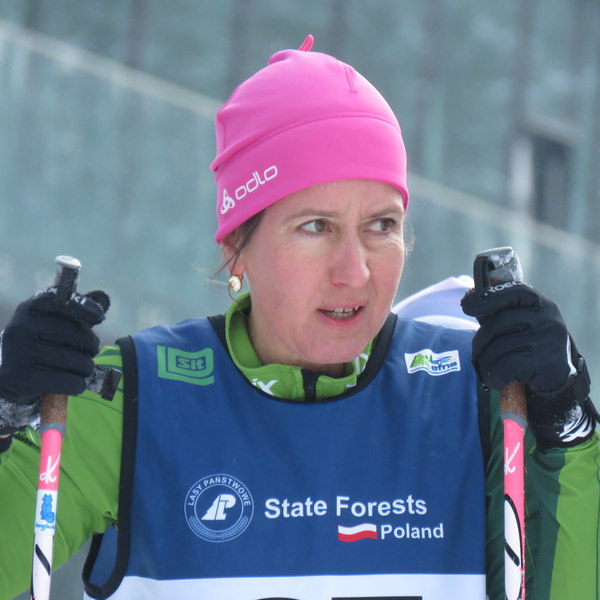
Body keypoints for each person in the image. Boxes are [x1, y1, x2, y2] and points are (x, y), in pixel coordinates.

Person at [0, 35, 598, 600]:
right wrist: (6, 412)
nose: (354, 271)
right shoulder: (135, 396)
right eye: (316, 226)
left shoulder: (477, 394)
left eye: (381, 225)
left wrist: (566, 427)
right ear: (237, 245)